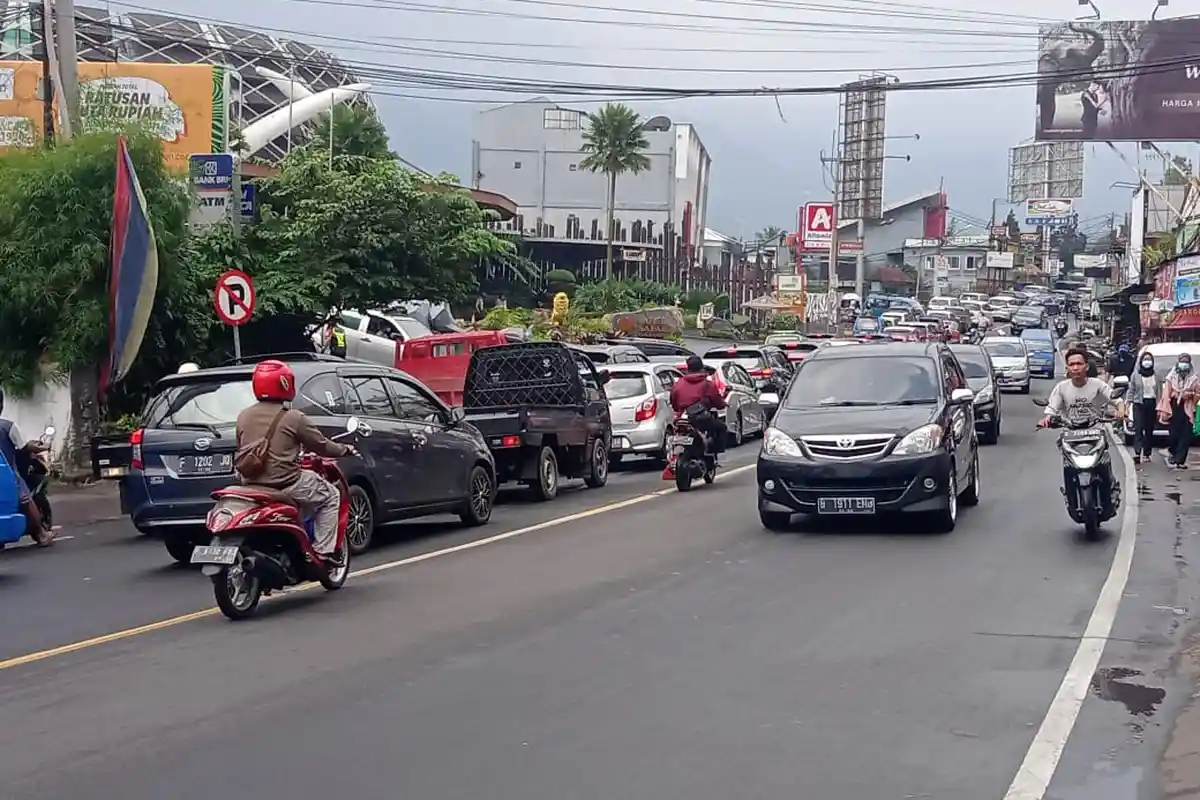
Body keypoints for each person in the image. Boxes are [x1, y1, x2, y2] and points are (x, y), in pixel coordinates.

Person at [235, 360, 359, 563]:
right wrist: (345, 449)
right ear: (285, 384)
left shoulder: (243, 416)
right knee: (331, 496)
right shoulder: (294, 418)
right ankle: (322, 552)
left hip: (250, 485)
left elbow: (241, 446)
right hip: (286, 483)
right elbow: (322, 446)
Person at [1039, 348, 1122, 516]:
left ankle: (1110, 491)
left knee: (1104, 463)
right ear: (1067, 368)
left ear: (1086, 366)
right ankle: (1070, 495)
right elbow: (1052, 408)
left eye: (1079, 364)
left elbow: (1116, 400)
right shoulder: (1061, 388)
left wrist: (1121, 410)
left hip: (1095, 431)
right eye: (1071, 364)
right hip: (1070, 434)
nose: (1075, 368)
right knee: (1068, 466)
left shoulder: (1098, 385)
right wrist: (1046, 419)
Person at [0, 388, 53, 546]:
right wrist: (43, 447)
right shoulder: (8, 426)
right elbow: (24, 447)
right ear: (2, 404)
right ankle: (42, 534)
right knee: (26, 498)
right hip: (6, 474)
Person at [669, 355, 729, 457]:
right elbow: (718, 402)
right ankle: (711, 453)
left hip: (681, 419)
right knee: (721, 427)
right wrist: (723, 404)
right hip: (700, 419)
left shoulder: (679, 384)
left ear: (688, 368)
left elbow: (673, 401)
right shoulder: (707, 384)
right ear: (701, 367)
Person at [1157, 353, 1200, 470]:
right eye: (1182, 362)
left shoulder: (1194, 378)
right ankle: (1173, 452)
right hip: (1174, 407)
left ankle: (1180, 460)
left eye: (1186, 362)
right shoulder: (1171, 377)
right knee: (1174, 435)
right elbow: (1166, 395)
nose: (1184, 364)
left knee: (1186, 435)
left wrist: (1190, 395)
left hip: (1187, 408)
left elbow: (1197, 394)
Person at [1129, 352, 1161, 464]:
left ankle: (1147, 454)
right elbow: (1131, 390)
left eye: (1149, 359)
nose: (1147, 362)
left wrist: (1159, 406)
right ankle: (1137, 453)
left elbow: (1159, 392)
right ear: (1141, 361)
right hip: (1139, 404)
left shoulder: (1156, 375)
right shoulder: (1136, 375)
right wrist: (1128, 403)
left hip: (1151, 404)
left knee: (1149, 430)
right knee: (1138, 429)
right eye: (1145, 359)